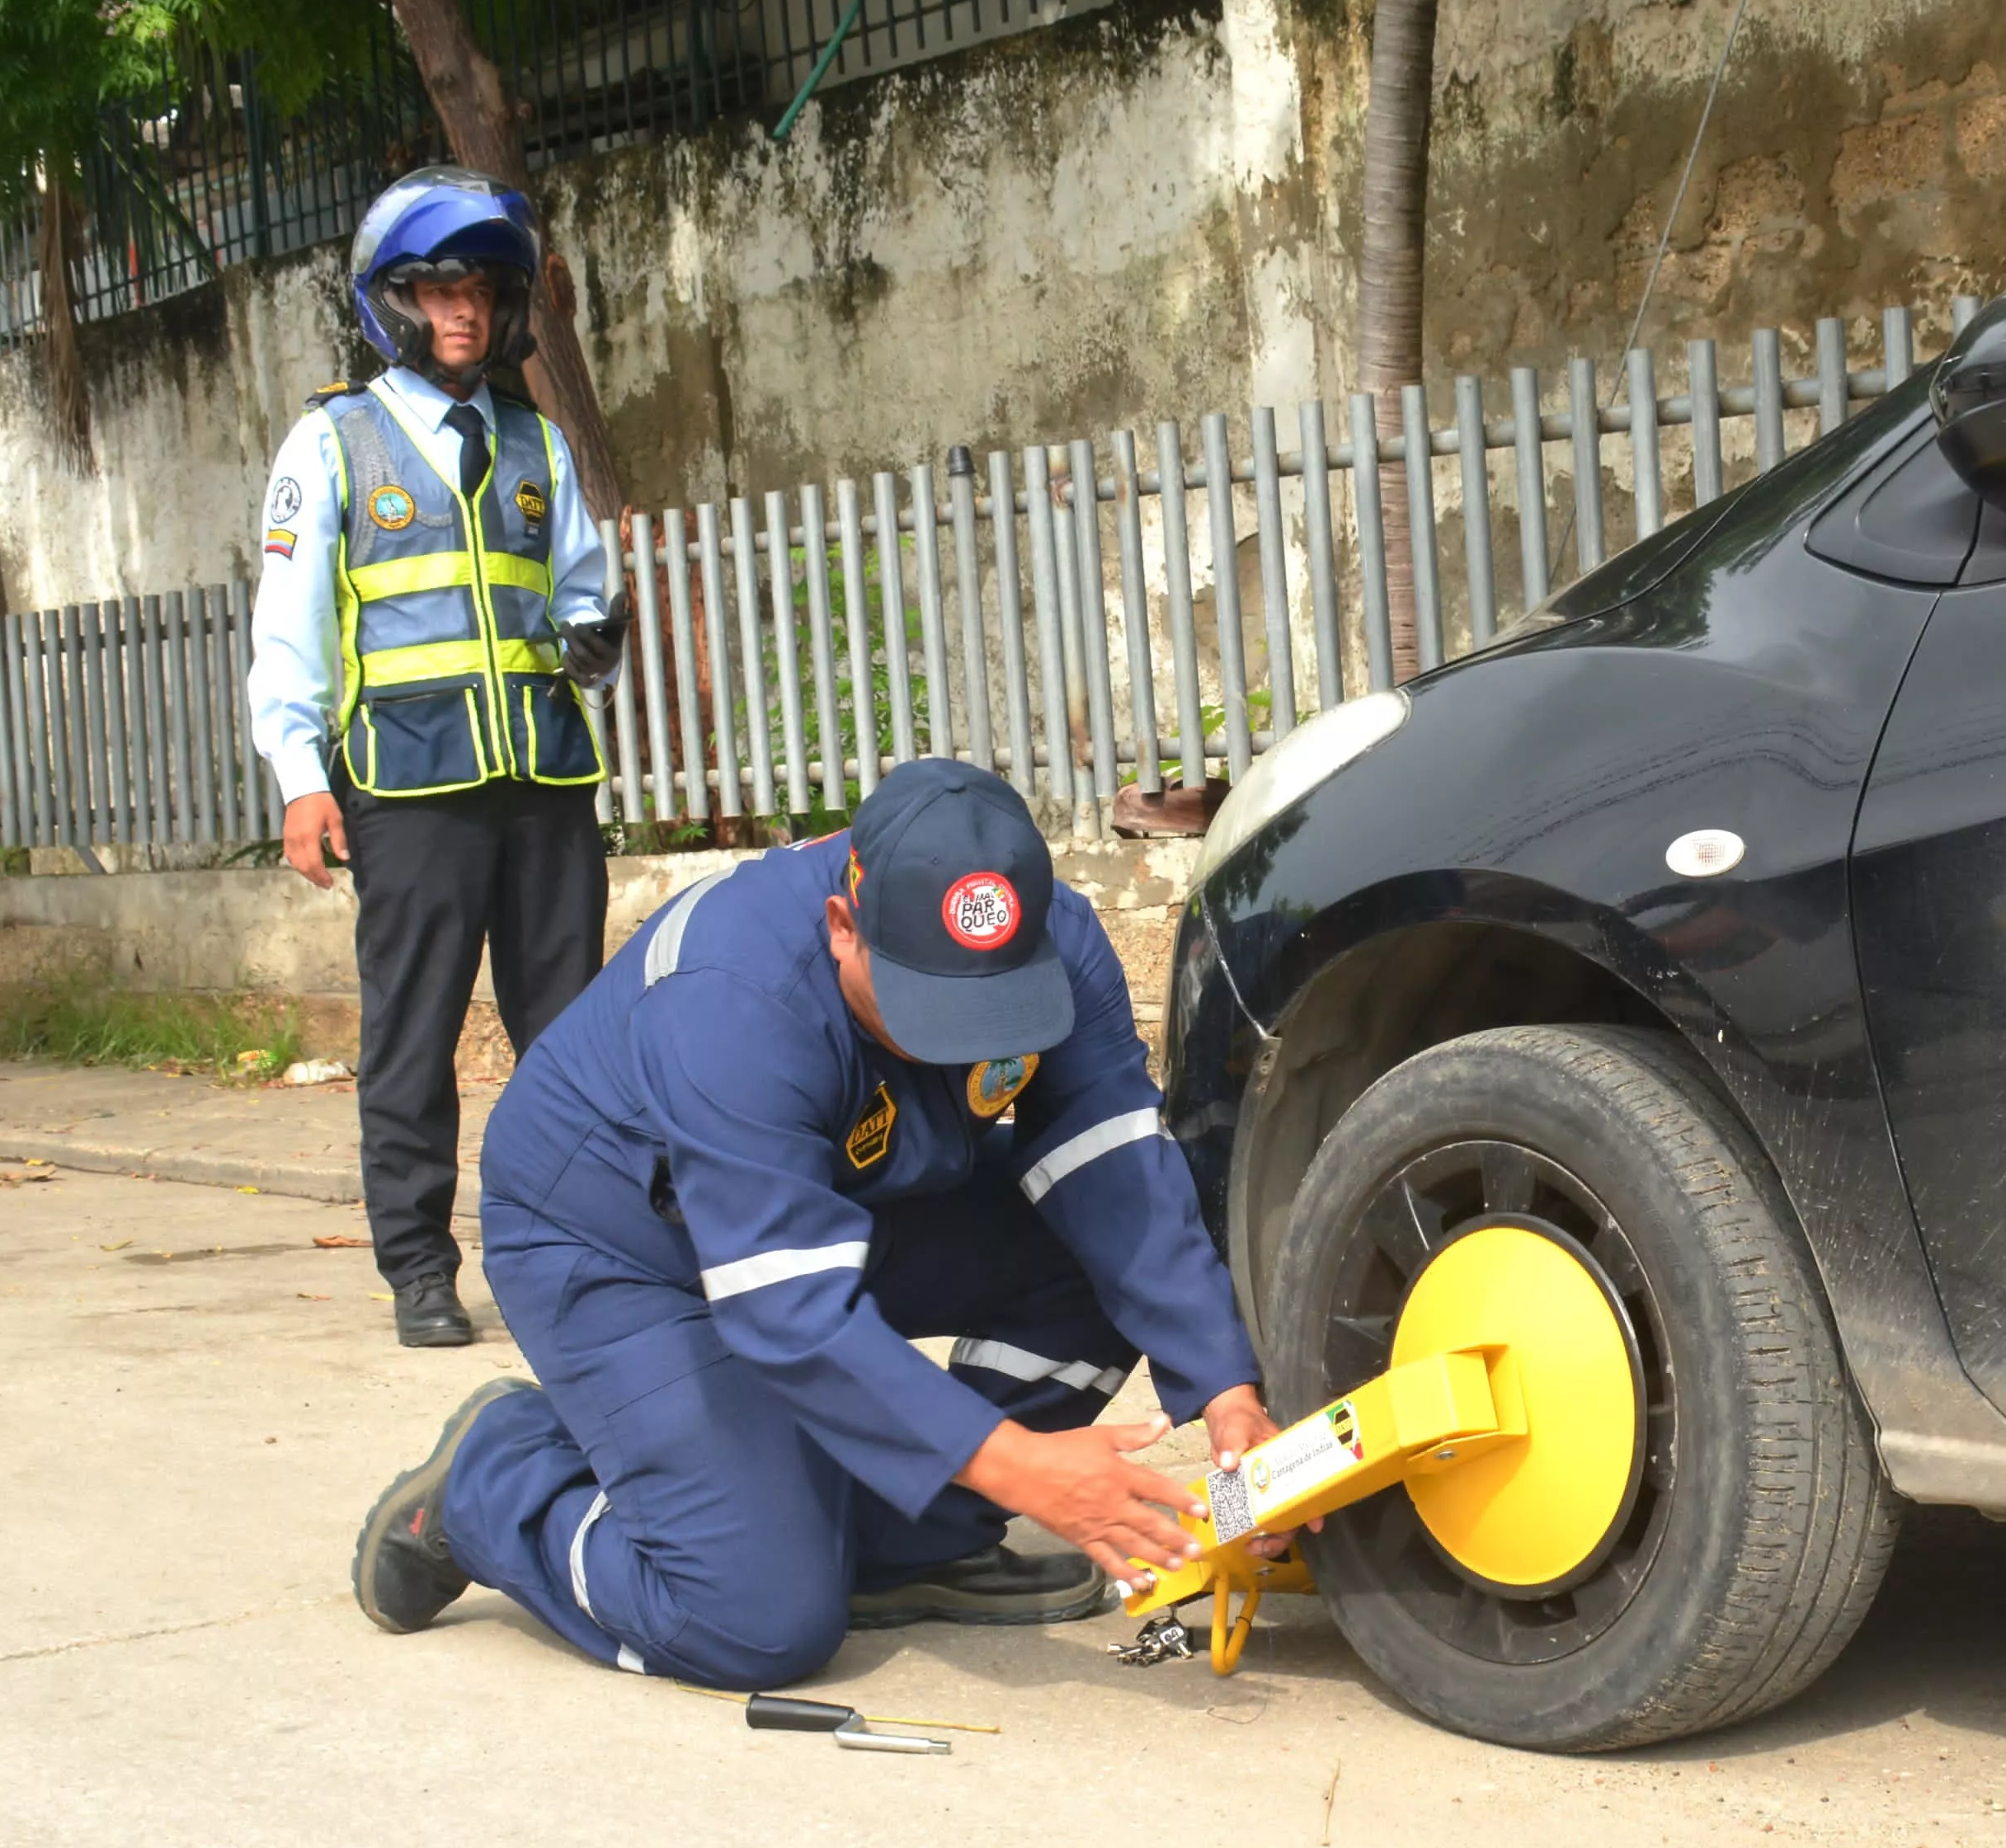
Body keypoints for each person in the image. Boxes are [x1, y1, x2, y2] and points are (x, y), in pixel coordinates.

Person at [347, 759, 1281, 1684]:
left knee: (1088, 1256)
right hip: (622, 1245)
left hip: (844, 1208)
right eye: (932, 1006)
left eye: (995, 1006)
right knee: (752, 1621)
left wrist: (1225, 1389)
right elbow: (787, 1308)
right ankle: (497, 1480)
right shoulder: (731, 995)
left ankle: (903, 1540)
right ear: (843, 926)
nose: (969, 1040)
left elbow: (1115, 1176)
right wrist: (1017, 1467)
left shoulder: (1056, 942)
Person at [245, 167, 631, 1349]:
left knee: (571, 1037)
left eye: (485, 290)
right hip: (407, 789)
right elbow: (288, 624)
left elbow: (584, 595)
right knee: (412, 1035)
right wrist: (301, 776)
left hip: (545, 782)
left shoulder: (537, 445)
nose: (465, 311)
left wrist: (598, 636)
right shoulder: (335, 443)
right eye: (442, 289)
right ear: (397, 302)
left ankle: (591, 1254)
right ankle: (419, 1266)